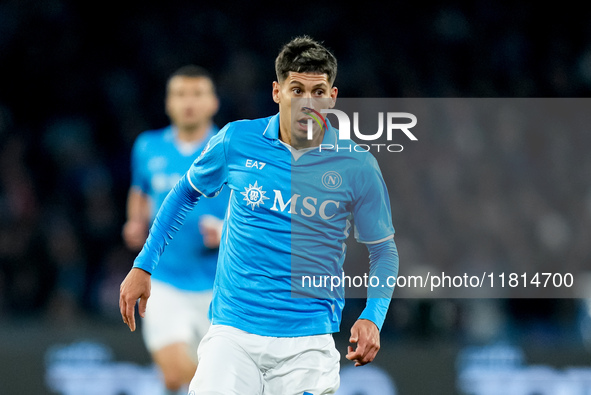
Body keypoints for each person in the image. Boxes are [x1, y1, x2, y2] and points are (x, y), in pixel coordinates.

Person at [120, 36, 399, 394]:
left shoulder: (356, 164)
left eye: (318, 92)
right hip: (233, 333)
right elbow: (184, 193)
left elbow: (383, 250)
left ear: (332, 97)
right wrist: (144, 265)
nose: (307, 103)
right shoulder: (237, 140)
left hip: (307, 339)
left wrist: (372, 317)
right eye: (296, 90)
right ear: (276, 92)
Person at [121, 65, 229, 394]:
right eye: (181, 94)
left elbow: (261, 204)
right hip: (164, 280)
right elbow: (140, 191)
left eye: (197, 94)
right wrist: (135, 221)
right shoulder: (147, 146)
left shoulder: (231, 147)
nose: (188, 102)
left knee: (214, 374)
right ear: (169, 103)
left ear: (213, 103)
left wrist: (227, 229)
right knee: (171, 375)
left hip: (222, 285)